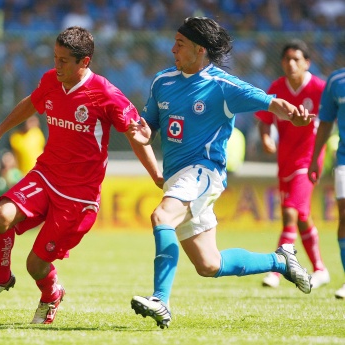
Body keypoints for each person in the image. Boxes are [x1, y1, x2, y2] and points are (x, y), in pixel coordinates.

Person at [127, 17, 314, 329]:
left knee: (162, 217)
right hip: (178, 178)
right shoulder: (162, 81)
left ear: (200, 50)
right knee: (209, 264)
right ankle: (280, 260)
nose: (172, 48)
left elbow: (270, 103)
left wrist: (292, 116)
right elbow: (148, 128)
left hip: (204, 172)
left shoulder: (223, 86)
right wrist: (142, 132)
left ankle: (160, 300)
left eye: (180, 44)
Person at [0, 26, 159, 324]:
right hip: (46, 174)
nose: (56, 66)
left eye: (63, 61)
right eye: (55, 58)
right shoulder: (51, 80)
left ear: (84, 62)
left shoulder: (106, 94)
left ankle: (51, 295)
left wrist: (157, 176)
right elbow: (31, 103)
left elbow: (137, 137)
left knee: (36, 265)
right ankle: (2, 278)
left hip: (79, 195)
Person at [255, 39, 329, 289]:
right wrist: (266, 138)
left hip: (308, 160)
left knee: (289, 212)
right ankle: (320, 268)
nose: (291, 63)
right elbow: (264, 118)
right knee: (302, 217)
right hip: (285, 160)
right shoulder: (277, 87)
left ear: (307, 62)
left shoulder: (319, 89)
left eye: (297, 59)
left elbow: (332, 119)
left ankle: (277, 269)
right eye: (287, 59)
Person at [309, 67, 345, 299]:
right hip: (344, 158)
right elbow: (325, 122)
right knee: (344, 215)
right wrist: (315, 159)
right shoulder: (336, 80)